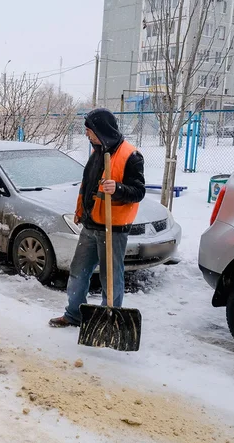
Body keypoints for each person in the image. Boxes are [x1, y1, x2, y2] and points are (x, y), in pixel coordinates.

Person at [48, 108, 145, 328]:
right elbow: (88, 186)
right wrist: (81, 211)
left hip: (114, 228)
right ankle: (74, 314)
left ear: (100, 130)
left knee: (110, 278)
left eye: (89, 130)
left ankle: (109, 320)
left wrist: (118, 188)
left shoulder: (131, 155)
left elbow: (139, 191)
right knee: (78, 272)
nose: (86, 134)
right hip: (91, 225)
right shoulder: (97, 152)